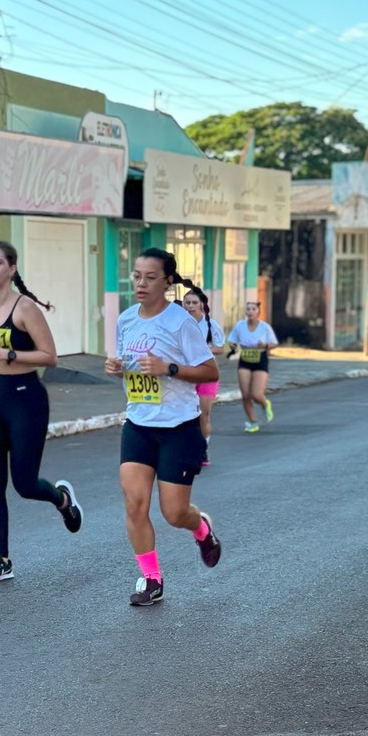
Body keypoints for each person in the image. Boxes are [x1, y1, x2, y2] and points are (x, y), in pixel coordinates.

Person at [0, 240, 82, 584]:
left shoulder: (25, 309)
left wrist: (8, 354)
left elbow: (50, 356)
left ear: (11, 269)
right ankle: (1, 559)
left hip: (26, 398)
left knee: (24, 484)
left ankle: (62, 498)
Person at [104, 249, 222, 607]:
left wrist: (168, 368)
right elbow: (133, 365)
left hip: (178, 427)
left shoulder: (180, 322)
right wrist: (118, 367)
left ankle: (200, 527)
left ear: (167, 282)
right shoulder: (126, 320)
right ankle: (151, 579)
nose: (141, 283)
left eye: (150, 277)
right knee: (135, 503)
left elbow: (210, 372)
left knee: (174, 513)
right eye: (136, 276)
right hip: (139, 424)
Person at [181, 284, 225, 464]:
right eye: (187, 302)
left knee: (203, 414)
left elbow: (220, 348)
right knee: (186, 414)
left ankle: (203, 449)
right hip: (185, 374)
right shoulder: (179, 323)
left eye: (194, 302)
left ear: (201, 305)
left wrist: (204, 350)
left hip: (207, 374)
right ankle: (185, 449)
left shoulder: (209, 324)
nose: (190, 306)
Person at [228, 300, 279, 432]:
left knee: (256, 394)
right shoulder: (240, 326)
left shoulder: (265, 327)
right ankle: (252, 422)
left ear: (258, 312)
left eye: (253, 309)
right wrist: (233, 346)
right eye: (248, 309)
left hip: (260, 359)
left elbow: (274, 343)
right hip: (245, 359)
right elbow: (232, 341)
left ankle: (264, 403)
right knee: (245, 395)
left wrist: (266, 346)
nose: (250, 311)